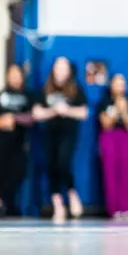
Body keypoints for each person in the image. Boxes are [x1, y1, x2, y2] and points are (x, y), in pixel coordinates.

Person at [33, 56, 89, 222]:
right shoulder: (45, 90)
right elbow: (36, 113)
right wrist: (54, 111)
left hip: (68, 133)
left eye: (64, 69)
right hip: (50, 134)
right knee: (52, 165)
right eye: (58, 68)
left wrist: (67, 110)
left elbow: (84, 112)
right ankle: (57, 203)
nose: (61, 72)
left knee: (64, 162)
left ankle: (72, 193)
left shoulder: (76, 90)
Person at [0, 63, 36, 217]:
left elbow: (33, 117)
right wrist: (0, 122)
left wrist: (14, 118)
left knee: (19, 171)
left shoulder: (28, 95)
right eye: (11, 74)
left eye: (17, 74)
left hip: (18, 141)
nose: (14, 78)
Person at [98, 73, 128, 220]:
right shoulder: (104, 102)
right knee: (110, 171)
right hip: (109, 137)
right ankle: (113, 209)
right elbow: (105, 124)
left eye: (123, 83)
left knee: (125, 171)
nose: (120, 86)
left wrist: (125, 110)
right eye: (117, 83)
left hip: (124, 137)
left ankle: (126, 208)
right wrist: (115, 110)